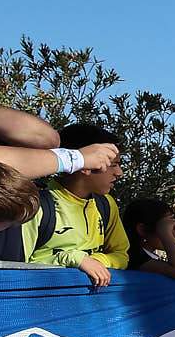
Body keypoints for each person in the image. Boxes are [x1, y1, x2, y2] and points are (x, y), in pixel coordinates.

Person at [24, 123, 130, 289]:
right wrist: (74, 259)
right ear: (86, 165)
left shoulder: (107, 205)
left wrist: (95, 261)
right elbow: (17, 268)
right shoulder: (36, 204)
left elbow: (122, 256)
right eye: (113, 165)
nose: (119, 173)